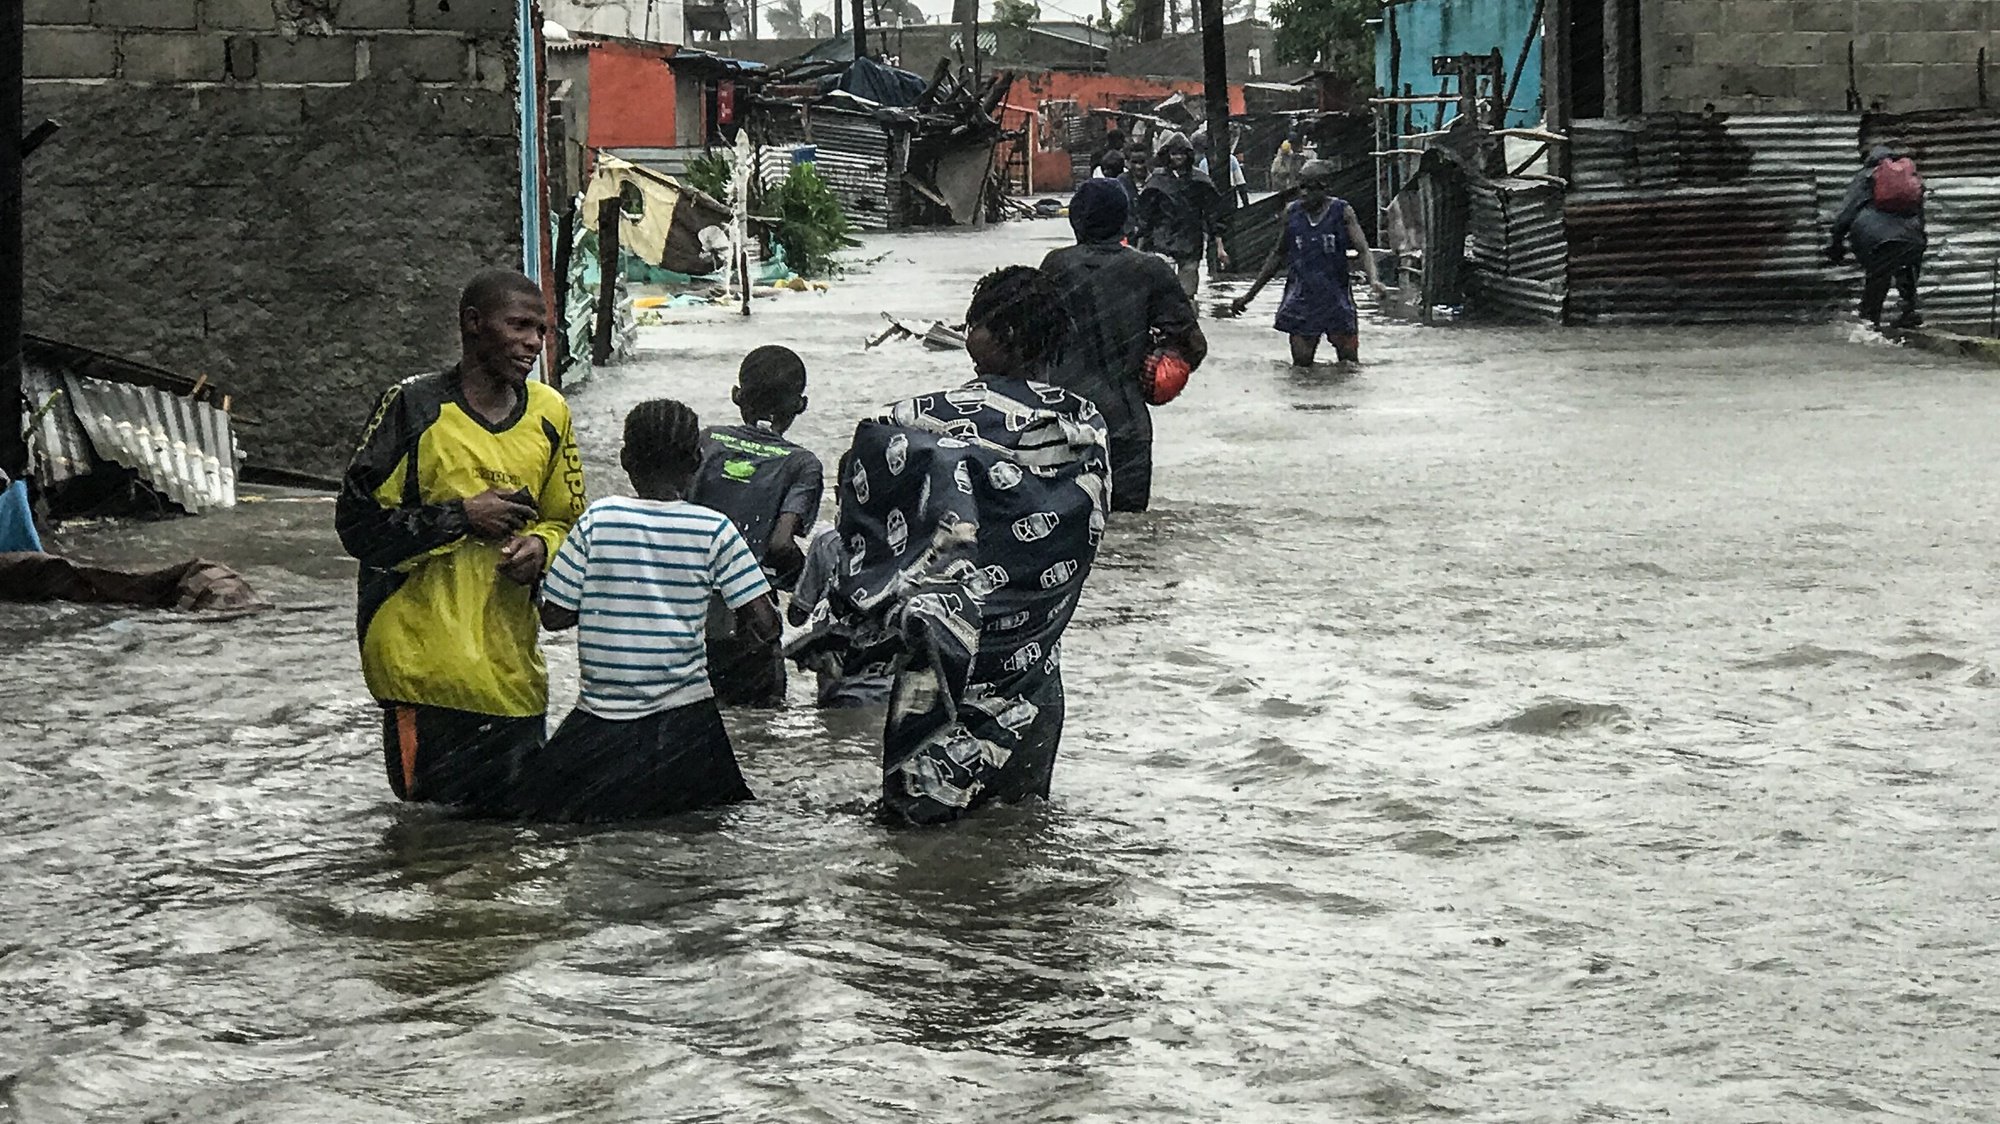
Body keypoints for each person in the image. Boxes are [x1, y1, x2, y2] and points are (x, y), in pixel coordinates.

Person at [789, 267, 1110, 824]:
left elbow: (872, 507)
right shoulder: (1081, 422)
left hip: (941, 664)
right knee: (1018, 822)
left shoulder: (920, 417)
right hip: (1032, 666)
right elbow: (1078, 530)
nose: (966, 334)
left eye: (974, 324)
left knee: (920, 823)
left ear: (1003, 334)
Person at [336, 269, 585, 811]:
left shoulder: (550, 414)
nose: (532, 343)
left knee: (510, 855)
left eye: (541, 331)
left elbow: (571, 522)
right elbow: (356, 525)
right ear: (473, 325)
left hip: (513, 678)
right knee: (432, 846)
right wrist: (461, 518)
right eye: (519, 325)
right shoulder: (413, 408)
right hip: (422, 674)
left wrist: (543, 546)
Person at [513, 399, 782, 822]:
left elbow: (555, 616)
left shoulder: (598, 519)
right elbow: (766, 625)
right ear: (696, 460)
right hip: (688, 730)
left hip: (602, 725)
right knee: (698, 836)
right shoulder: (715, 530)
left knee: (551, 824)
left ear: (624, 460)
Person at [1041, 178, 1208, 513]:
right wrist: (1160, 361)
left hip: (1062, 423)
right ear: (1125, 221)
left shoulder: (1055, 265)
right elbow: (1194, 346)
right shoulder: (1149, 269)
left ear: (1076, 221)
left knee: (1063, 528)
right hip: (1125, 425)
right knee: (1129, 536)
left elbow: (1029, 341)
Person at [686, 345, 823, 706]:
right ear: (801, 405)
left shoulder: (707, 440)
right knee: (756, 735)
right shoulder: (802, 464)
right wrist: (807, 581)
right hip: (750, 623)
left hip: (686, 617)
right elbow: (780, 545)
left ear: (736, 396)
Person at [1230, 160, 1388, 367]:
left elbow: (1363, 250)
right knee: (1301, 368)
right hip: (1301, 300)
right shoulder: (1292, 213)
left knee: (1349, 365)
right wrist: (1249, 295)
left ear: (1325, 189)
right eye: (1301, 187)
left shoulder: (1342, 212)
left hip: (1336, 298)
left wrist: (1374, 279)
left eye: (1311, 188)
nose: (1304, 193)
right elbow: (1277, 255)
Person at [787, 522, 894, 708]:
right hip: (889, 691)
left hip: (834, 685)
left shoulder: (828, 540)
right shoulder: (918, 544)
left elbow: (796, 616)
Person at [1830, 142, 1926, 330]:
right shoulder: (1910, 178)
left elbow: (1846, 213)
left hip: (1874, 238)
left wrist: (1835, 242)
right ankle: (1909, 310)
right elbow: (1920, 213)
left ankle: (1868, 325)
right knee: (1906, 265)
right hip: (1913, 237)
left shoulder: (1866, 176)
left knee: (1877, 277)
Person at [1136, 130, 1228, 299]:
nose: (1178, 157)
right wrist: (1140, 246)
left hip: (1190, 240)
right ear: (1167, 155)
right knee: (1163, 290)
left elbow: (1213, 213)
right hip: (1163, 240)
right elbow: (1145, 216)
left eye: (1181, 154)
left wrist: (1220, 246)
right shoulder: (1157, 181)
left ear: (1188, 155)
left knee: (1188, 292)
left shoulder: (1200, 181)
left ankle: (1187, 320)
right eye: (1174, 153)